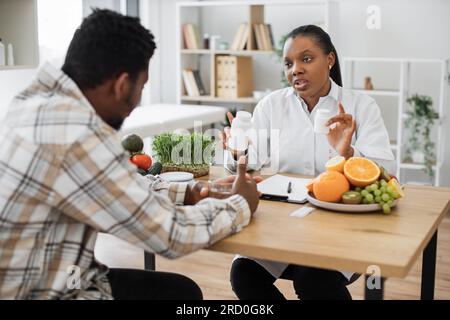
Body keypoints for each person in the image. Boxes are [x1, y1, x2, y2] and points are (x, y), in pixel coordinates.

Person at [0, 9, 260, 300]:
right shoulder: (79, 135)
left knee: (179, 291)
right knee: (181, 295)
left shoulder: (33, 101)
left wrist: (191, 192)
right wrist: (241, 204)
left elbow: (113, 185)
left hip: (55, 273)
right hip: (47, 291)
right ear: (122, 84)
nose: (137, 103)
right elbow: (171, 234)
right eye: (141, 87)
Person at [221, 25, 396, 300]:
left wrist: (347, 153)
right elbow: (250, 162)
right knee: (243, 273)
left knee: (313, 279)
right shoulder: (271, 105)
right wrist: (236, 150)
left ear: (329, 59)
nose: (296, 70)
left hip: (339, 226)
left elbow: (387, 169)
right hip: (281, 224)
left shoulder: (361, 105)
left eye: (306, 59)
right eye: (288, 63)